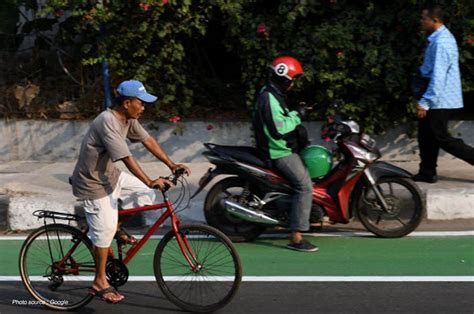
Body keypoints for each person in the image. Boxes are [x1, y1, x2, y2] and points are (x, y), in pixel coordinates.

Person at [70, 80, 190, 303]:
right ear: (127, 103)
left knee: (145, 194)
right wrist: (149, 179)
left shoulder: (129, 118)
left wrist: (171, 165)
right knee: (104, 231)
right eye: (141, 103)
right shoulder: (108, 122)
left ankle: (114, 226)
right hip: (93, 184)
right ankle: (99, 281)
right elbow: (126, 157)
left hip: (111, 177)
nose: (144, 107)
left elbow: (148, 140)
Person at [252, 56, 318, 252]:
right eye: (293, 78)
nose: (293, 83)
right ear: (283, 76)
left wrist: (298, 111)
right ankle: (296, 237)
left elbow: (281, 118)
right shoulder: (269, 98)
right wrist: (298, 115)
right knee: (305, 186)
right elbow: (278, 129)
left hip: (282, 148)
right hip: (278, 151)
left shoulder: (273, 94)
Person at [414, 5, 474, 183]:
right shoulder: (439, 39)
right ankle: (427, 172)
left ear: (435, 20)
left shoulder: (441, 43)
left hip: (440, 99)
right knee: (425, 135)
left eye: (424, 18)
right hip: (438, 97)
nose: (422, 21)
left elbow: (438, 76)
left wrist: (425, 101)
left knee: (441, 137)